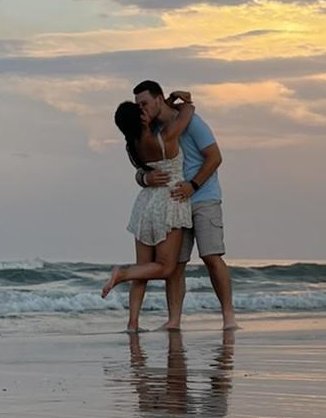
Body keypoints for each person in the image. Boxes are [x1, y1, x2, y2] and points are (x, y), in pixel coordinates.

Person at [130, 79, 238, 330]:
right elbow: (141, 168)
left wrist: (194, 185)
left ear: (159, 99)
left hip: (203, 196)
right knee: (176, 265)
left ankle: (229, 317)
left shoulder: (192, 122)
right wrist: (145, 178)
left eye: (145, 103)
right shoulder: (150, 130)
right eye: (138, 106)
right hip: (172, 203)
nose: (141, 109)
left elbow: (215, 157)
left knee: (211, 256)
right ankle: (174, 320)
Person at [101, 92, 198, 314]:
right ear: (143, 119)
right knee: (166, 267)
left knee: (142, 270)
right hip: (168, 203)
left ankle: (133, 322)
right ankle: (122, 273)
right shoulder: (165, 138)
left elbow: (140, 173)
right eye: (142, 111)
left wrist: (165, 104)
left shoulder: (133, 146)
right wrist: (179, 100)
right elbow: (188, 112)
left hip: (145, 205)